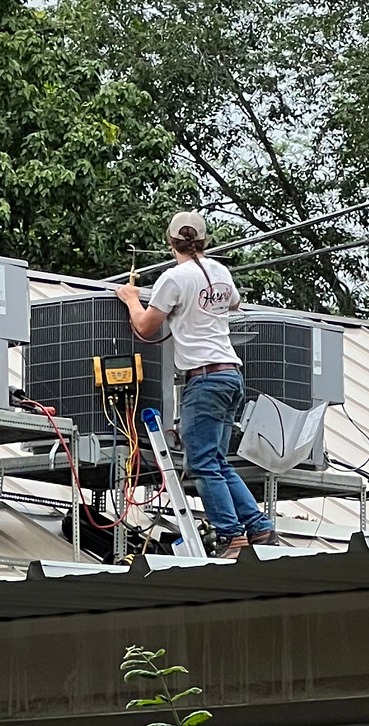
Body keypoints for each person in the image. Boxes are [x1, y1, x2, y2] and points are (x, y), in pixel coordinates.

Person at [116, 211, 275, 561]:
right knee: (217, 460)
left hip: (204, 378)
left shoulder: (173, 279)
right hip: (231, 373)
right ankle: (259, 527)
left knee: (202, 463)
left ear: (170, 241)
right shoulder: (220, 271)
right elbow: (232, 301)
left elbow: (145, 328)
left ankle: (232, 536)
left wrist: (130, 299)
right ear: (204, 241)